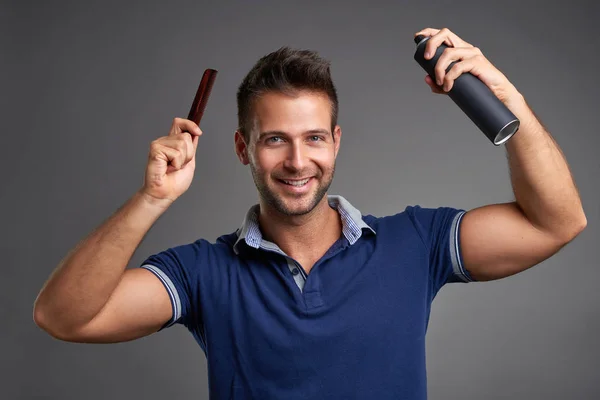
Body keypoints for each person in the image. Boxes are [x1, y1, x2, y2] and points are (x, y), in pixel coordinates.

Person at [33, 27, 587, 399]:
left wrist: (505, 96)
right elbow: (65, 317)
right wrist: (151, 199)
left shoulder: (414, 244)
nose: (298, 161)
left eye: (314, 137)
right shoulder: (202, 273)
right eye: (275, 139)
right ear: (242, 148)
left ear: (336, 142)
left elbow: (557, 222)